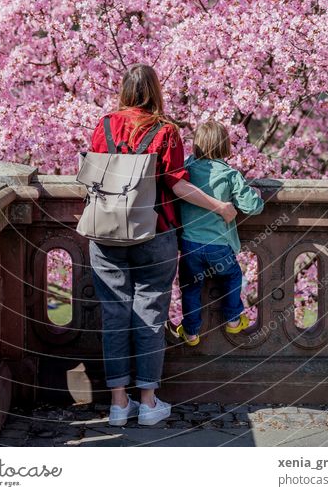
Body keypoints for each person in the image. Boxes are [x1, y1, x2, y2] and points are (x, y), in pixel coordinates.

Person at [88, 64, 238, 426]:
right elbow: (176, 184)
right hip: (155, 230)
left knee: (114, 314)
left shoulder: (105, 125)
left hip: (106, 231)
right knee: (150, 312)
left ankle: (118, 404)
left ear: (124, 90)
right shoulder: (165, 130)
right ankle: (148, 400)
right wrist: (219, 205)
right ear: (155, 91)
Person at [177, 119, 264, 346]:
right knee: (233, 275)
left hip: (189, 245)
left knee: (191, 286)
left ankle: (192, 332)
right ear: (225, 145)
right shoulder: (230, 174)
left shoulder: (185, 170)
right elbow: (252, 207)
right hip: (219, 245)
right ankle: (234, 320)